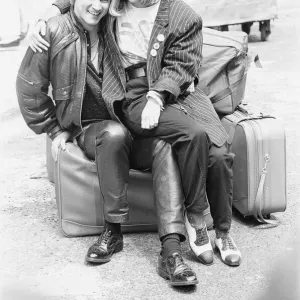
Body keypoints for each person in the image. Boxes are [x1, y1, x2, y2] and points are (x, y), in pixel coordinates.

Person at [29, 0, 242, 284]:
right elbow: (80, 3)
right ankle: (194, 221)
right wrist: (48, 13)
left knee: (219, 152)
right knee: (186, 136)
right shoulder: (111, 7)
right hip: (133, 94)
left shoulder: (181, 14)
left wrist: (159, 95)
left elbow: (181, 64)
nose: (97, 5)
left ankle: (222, 233)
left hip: (180, 94)